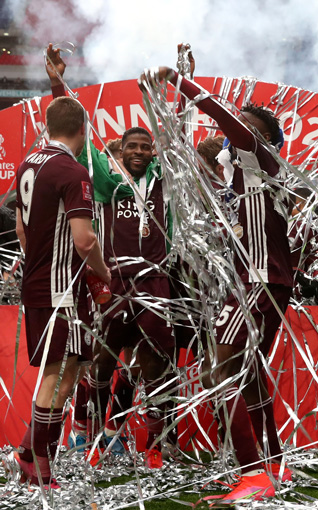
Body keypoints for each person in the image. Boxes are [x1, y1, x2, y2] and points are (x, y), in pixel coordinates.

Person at [142, 65, 294, 502]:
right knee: (248, 377)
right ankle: (272, 463)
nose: (236, 132)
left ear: (262, 139)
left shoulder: (258, 155)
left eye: (248, 127)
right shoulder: (246, 178)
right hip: (261, 279)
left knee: (218, 369)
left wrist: (179, 82)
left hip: (259, 282)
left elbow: (221, 116)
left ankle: (253, 473)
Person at [46, 45, 175, 470]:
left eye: (146, 147)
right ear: (120, 152)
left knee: (156, 362)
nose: (139, 152)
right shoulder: (106, 181)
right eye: (132, 147)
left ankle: (154, 445)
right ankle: (95, 433)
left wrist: (176, 83)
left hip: (155, 282)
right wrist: (57, 85)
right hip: (115, 281)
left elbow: (176, 138)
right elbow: (75, 136)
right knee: (101, 360)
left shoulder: (165, 183)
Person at [9, 93, 110, 489]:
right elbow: (85, 241)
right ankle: (37, 464)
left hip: (43, 283)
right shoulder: (71, 172)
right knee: (57, 374)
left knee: (71, 370)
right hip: (60, 290)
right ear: (83, 130)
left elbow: (20, 229)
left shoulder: (28, 162)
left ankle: (28, 449)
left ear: (47, 126)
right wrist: (105, 273)